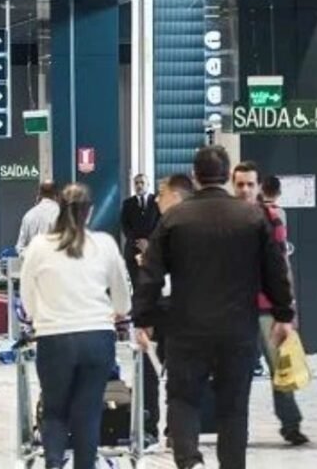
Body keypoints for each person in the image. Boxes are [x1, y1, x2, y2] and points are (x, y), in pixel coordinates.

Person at [134, 146, 295, 469]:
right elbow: (275, 268)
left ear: (195, 176)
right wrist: (283, 314)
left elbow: (150, 272)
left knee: (183, 399)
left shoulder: (175, 218)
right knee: (233, 408)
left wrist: (144, 318)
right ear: (226, 176)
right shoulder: (251, 217)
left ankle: (190, 461)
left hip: (187, 328)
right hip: (238, 329)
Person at [20, 184, 131, 469]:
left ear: (59, 208)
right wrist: (116, 311)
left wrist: (39, 315)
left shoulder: (39, 247)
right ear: (90, 212)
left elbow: (27, 303)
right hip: (97, 339)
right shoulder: (104, 244)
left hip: (54, 339)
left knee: (55, 411)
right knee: (88, 412)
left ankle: (54, 464)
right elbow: (123, 301)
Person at [231, 162, 309, 446]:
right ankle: (236, 427)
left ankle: (291, 425)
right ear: (232, 185)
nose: (245, 190)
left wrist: (288, 308)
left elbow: (281, 264)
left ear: (258, 186)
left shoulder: (272, 218)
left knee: (281, 368)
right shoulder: (224, 220)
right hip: (235, 308)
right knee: (236, 373)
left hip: (266, 308)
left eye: (250, 184)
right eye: (240, 184)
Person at [135, 173, 194, 446]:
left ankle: (174, 428)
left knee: (179, 373)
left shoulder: (190, 226)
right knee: (150, 370)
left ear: (177, 196)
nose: (157, 198)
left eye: (162, 193)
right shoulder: (164, 225)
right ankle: (152, 426)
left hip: (182, 312)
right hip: (162, 311)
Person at [121, 173, 160, 280]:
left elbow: (160, 223)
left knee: (153, 285)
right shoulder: (127, 203)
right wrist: (137, 242)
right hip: (132, 251)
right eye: (136, 183)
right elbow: (125, 226)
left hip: (152, 250)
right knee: (136, 286)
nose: (139, 185)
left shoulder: (157, 201)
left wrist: (148, 242)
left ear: (148, 184)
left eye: (142, 182)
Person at [16, 180, 60, 257]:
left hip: (34, 265)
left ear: (39, 194)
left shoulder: (29, 215)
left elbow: (20, 247)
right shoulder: (63, 214)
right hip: (56, 265)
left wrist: (33, 258)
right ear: (57, 194)